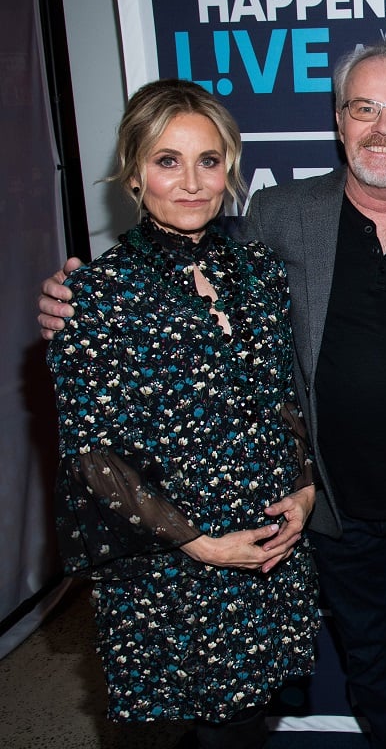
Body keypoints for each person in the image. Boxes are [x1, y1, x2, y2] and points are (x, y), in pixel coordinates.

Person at [40, 45, 386, 748]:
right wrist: (71, 303)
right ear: (338, 123)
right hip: (332, 509)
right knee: (370, 663)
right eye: (364, 108)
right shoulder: (280, 217)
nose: (383, 128)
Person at [46, 79, 319, 749]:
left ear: (229, 167)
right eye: (168, 160)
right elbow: (92, 458)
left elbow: (286, 402)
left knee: (245, 731)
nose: (192, 182)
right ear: (134, 173)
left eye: (208, 159)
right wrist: (201, 544)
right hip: (162, 573)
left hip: (261, 559)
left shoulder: (261, 273)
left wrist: (306, 488)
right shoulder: (96, 295)